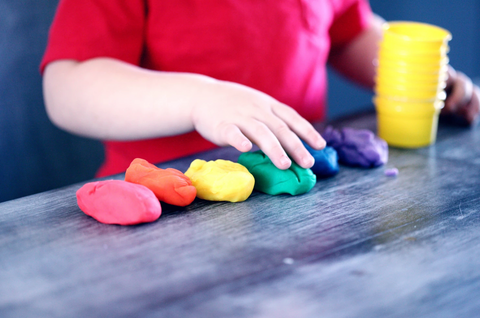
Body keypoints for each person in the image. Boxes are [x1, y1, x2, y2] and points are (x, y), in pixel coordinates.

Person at [41, 0, 480, 177]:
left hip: (302, 193)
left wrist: (421, 79)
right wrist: (200, 99)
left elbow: (348, 32)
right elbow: (69, 86)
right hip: (165, 205)